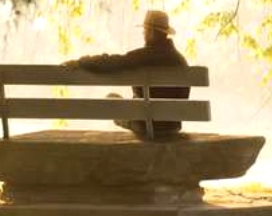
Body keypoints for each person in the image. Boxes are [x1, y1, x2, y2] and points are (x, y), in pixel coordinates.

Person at [62, 9, 190, 139]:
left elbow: (112, 62)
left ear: (151, 33)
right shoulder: (181, 61)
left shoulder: (143, 56)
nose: (143, 34)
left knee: (111, 98)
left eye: (144, 31)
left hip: (144, 125)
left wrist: (82, 62)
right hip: (172, 127)